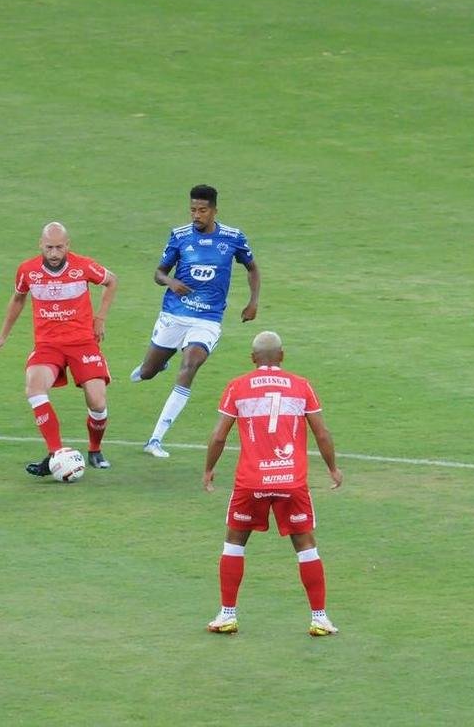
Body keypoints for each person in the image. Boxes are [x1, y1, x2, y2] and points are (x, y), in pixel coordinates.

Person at [202, 331, 343, 636]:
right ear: (282, 355)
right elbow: (321, 432)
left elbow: (218, 435)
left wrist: (209, 469)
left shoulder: (237, 387)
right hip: (291, 481)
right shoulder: (301, 386)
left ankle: (228, 614)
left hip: (250, 481)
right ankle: (319, 618)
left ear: (253, 359)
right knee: (306, 547)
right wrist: (333, 468)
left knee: (234, 543)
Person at [130, 184, 259, 458]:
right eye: (192, 210)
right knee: (146, 373)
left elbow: (252, 267)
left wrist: (253, 301)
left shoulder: (233, 237)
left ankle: (155, 439)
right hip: (174, 314)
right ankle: (157, 363)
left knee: (190, 365)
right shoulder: (179, 236)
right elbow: (158, 273)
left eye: (202, 210)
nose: (196, 215)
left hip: (207, 319)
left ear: (214, 210)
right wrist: (171, 281)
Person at [0, 222, 118, 475]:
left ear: (68, 245)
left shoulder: (83, 266)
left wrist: (100, 318)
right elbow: (18, 299)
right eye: (49, 247)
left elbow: (112, 281)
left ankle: (95, 448)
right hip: (48, 345)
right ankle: (55, 453)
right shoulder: (28, 271)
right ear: (40, 245)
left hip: (82, 343)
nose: (55, 253)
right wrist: (3, 336)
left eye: (59, 247)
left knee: (98, 402)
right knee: (34, 387)